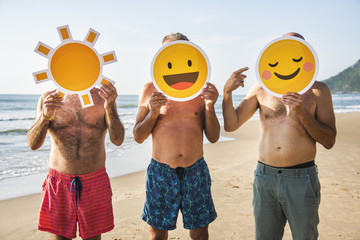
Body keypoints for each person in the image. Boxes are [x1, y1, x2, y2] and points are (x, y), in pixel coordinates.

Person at [222, 32, 337, 240]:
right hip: (265, 177)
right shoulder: (261, 89)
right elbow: (231, 124)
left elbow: (329, 140)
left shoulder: (319, 91)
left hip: (301, 177)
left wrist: (302, 113)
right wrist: (227, 94)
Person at [133, 33, 220, 240]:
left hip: (195, 169)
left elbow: (214, 136)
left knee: (199, 233)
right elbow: (138, 135)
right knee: (157, 233)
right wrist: (154, 112)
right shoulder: (150, 89)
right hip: (161, 170)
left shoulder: (202, 89)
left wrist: (210, 106)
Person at [27, 83, 124, 240]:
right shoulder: (49, 98)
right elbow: (33, 144)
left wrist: (111, 106)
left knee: (93, 237)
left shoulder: (102, 97)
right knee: (60, 237)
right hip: (59, 182)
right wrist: (45, 115)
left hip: (94, 181)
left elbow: (118, 139)